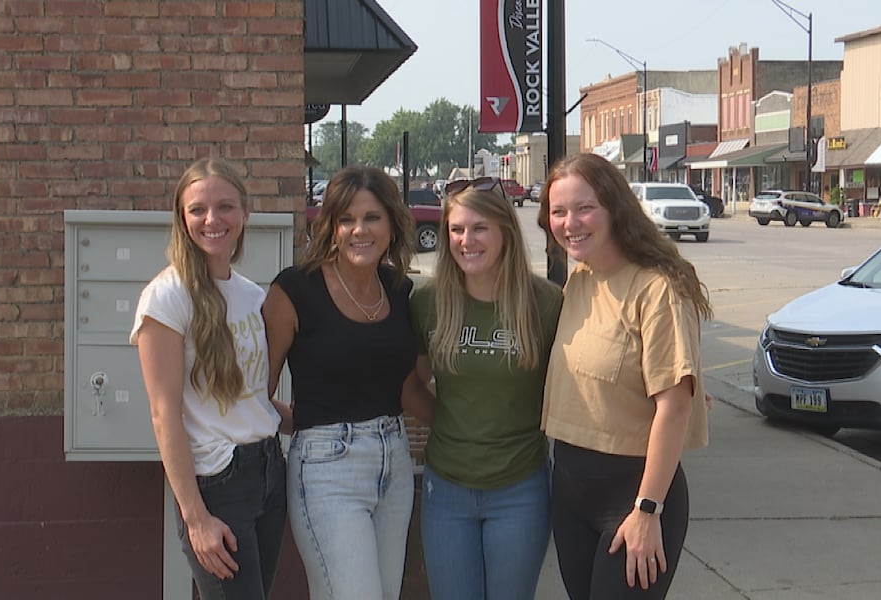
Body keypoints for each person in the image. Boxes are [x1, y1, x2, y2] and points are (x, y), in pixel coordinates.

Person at [538, 153, 711, 599]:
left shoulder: (657, 289)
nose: (570, 222)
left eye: (584, 208)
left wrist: (648, 510)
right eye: (559, 212)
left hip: (635, 494)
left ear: (615, 208)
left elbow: (674, 405)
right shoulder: (579, 280)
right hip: (571, 486)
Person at [262, 165, 424, 600]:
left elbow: (406, 388)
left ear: (391, 223)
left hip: (395, 460)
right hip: (327, 470)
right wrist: (307, 424)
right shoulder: (294, 290)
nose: (359, 230)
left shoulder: (398, 289)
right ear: (331, 227)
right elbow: (258, 392)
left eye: (371, 217)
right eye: (346, 219)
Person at [131, 158, 286, 599]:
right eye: (198, 209)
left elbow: (248, 399)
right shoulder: (167, 296)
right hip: (217, 480)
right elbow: (164, 415)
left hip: (269, 469)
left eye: (225, 207)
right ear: (182, 218)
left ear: (244, 215)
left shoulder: (252, 295)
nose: (212, 219)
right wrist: (195, 518)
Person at [409, 181, 562, 600]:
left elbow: (578, 382)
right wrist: (451, 426)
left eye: (479, 228)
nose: (466, 240)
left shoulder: (545, 303)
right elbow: (411, 384)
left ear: (504, 233)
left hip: (520, 488)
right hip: (447, 489)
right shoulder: (429, 303)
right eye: (456, 230)